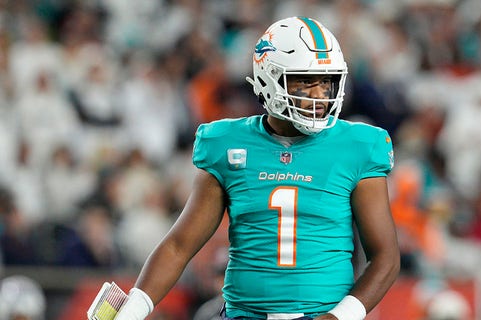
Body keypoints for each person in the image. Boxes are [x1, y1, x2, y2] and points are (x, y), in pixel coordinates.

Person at [95, 16, 400, 320]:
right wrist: (132, 310)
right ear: (269, 77)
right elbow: (179, 246)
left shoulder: (357, 145)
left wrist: (337, 318)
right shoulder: (227, 143)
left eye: (326, 81)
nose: (320, 95)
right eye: (305, 81)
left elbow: (385, 258)